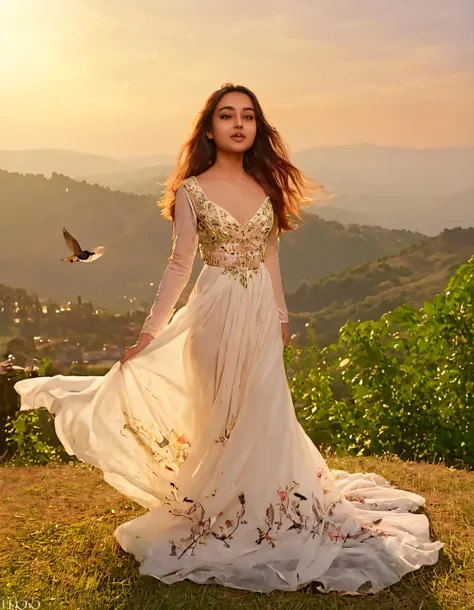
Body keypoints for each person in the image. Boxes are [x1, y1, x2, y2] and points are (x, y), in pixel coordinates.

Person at [14, 83, 443, 595]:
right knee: (219, 420)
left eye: (247, 116)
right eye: (226, 115)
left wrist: (282, 316)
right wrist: (151, 331)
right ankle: (223, 511)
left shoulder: (266, 186)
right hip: (213, 315)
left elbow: (271, 259)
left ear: (257, 127)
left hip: (260, 313)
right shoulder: (192, 192)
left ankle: (267, 508)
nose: (238, 124)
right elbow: (178, 265)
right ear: (210, 127)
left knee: (264, 414)